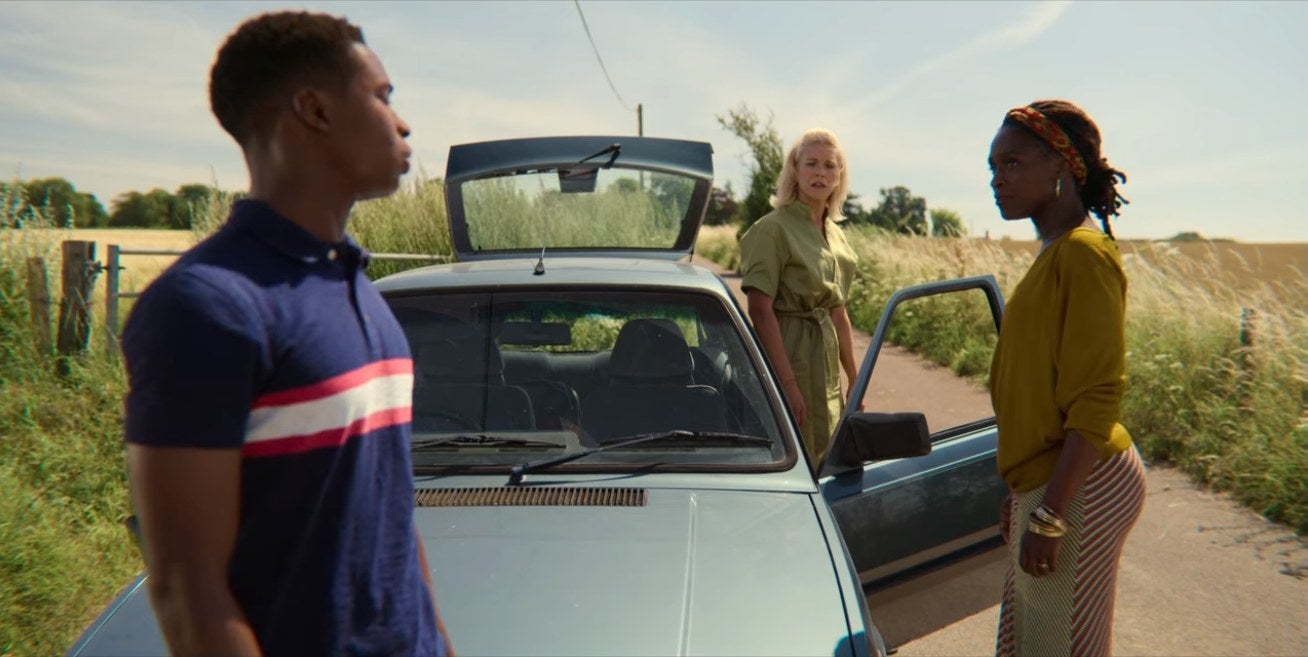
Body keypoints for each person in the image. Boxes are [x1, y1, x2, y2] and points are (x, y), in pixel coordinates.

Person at [121, 11, 451, 656]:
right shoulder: (206, 305)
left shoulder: (358, 285)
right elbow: (189, 593)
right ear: (314, 109)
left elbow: (389, 517)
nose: (403, 122)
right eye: (382, 97)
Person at [987, 99, 1147, 657]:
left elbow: (1098, 395)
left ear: (1059, 165)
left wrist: (1052, 511)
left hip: (1084, 480)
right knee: (1027, 641)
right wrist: (1024, 492)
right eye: (992, 168)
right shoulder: (1055, 254)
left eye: (1011, 164)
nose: (996, 180)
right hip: (1050, 479)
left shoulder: (1083, 255)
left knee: (1059, 646)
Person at [738, 128, 860, 464]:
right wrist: (787, 384)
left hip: (827, 358)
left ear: (839, 176)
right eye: (811, 164)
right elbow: (760, 309)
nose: (820, 173)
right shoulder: (773, 228)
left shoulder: (836, 235)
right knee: (796, 450)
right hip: (790, 351)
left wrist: (855, 377)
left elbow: (838, 311)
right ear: (795, 170)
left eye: (829, 165)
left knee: (831, 450)